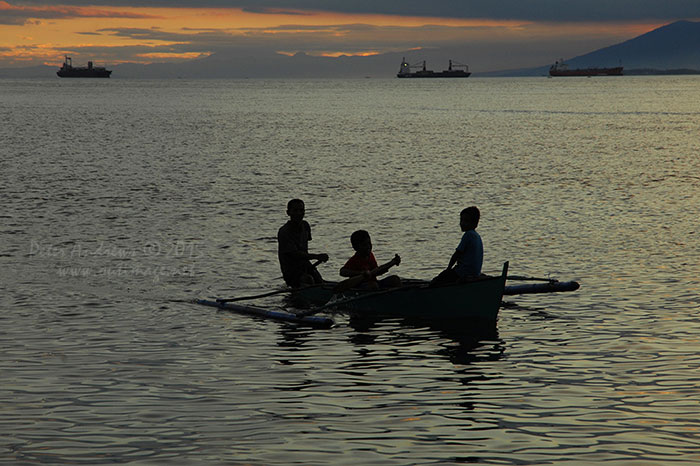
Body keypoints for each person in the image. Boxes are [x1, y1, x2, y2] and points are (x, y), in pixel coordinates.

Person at [277, 199, 329, 288]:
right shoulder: (284, 232)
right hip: (291, 271)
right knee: (308, 280)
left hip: (306, 266)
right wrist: (316, 256)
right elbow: (294, 254)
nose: (298, 213)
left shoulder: (305, 226)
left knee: (321, 283)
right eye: (295, 211)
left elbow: (304, 247)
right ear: (288, 213)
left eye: (301, 210)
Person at [430, 206, 483, 287]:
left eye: (466, 221)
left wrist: (448, 268)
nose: (462, 223)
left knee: (437, 281)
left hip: (463, 272)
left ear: (474, 223)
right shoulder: (477, 236)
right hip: (475, 272)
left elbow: (457, 254)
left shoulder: (468, 235)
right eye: (461, 220)